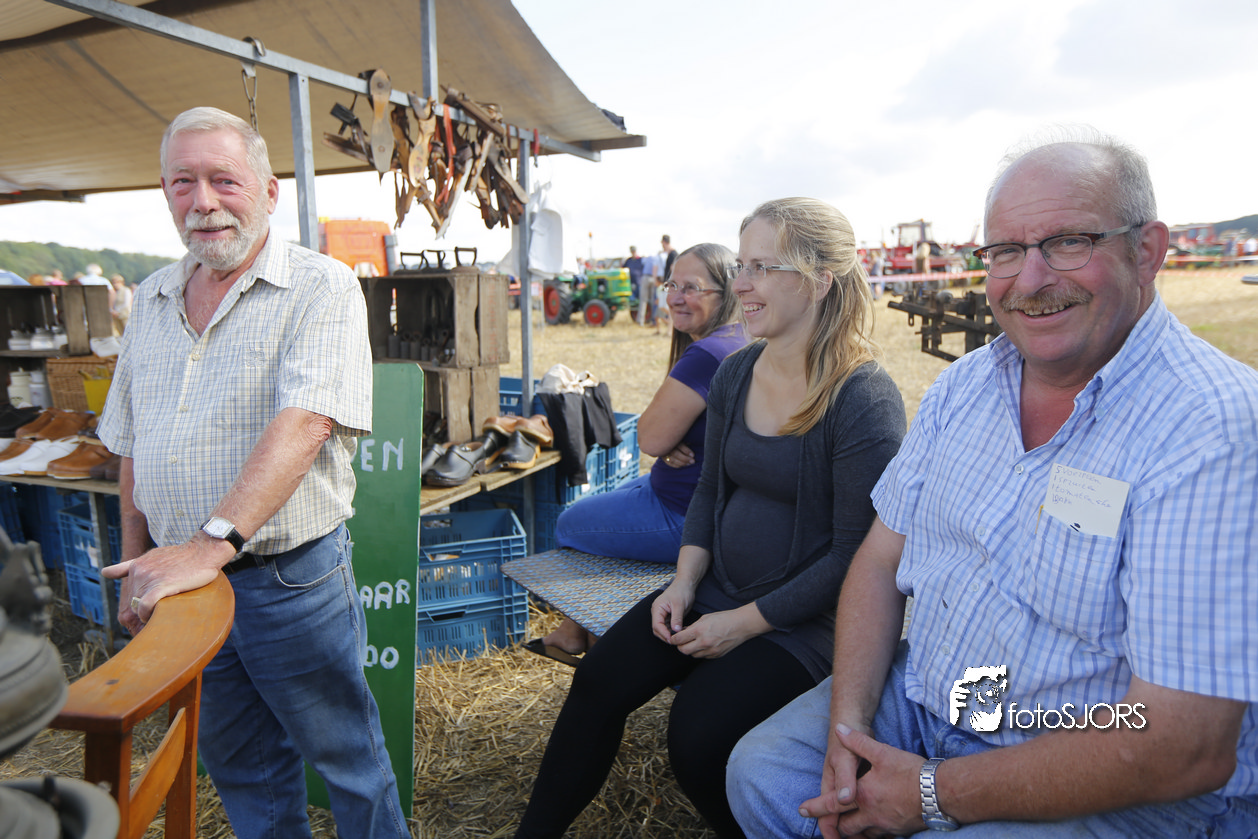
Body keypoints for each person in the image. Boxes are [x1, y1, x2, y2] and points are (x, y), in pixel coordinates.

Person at [727, 130, 1258, 838]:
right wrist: (848, 730)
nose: (1030, 280)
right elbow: (880, 561)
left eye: (1068, 242)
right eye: (1005, 251)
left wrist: (930, 793)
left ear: (1147, 251)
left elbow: (1182, 743)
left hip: (1101, 768)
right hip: (927, 703)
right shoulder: (968, 385)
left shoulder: (1211, 427)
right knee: (763, 771)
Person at [513, 198, 907, 838]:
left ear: (819, 281)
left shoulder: (863, 395)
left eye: (761, 268)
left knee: (696, 734)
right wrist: (683, 584)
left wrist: (741, 624)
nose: (742, 284)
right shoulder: (738, 371)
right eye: (741, 265)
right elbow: (708, 494)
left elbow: (855, 557)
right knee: (599, 683)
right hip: (714, 590)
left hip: (805, 626)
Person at [96, 107, 409, 839]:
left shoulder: (321, 286)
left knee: (347, 760)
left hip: (287, 579)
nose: (202, 201)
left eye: (223, 180)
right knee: (241, 765)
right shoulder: (151, 298)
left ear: (269, 191)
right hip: (183, 586)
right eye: (182, 183)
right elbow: (133, 442)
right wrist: (138, 562)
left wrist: (207, 548)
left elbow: (306, 422)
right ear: (165, 194)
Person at [543, 243, 749, 654]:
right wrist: (672, 442)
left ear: (725, 292)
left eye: (692, 288)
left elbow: (650, 438)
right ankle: (574, 630)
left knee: (569, 525)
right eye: (672, 285)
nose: (676, 297)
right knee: (604, 508)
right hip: (686, 496)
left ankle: (599, 635)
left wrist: (665, 442)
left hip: (682, 515)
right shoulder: (740, 337)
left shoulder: (706, 353)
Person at [639, 248, 661, 325]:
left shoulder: (647, 258)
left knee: (643, 300)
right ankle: (653, 320)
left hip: (646, 277)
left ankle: (641, 321)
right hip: (654, 279)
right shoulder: (658, 258)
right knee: (653, 300)